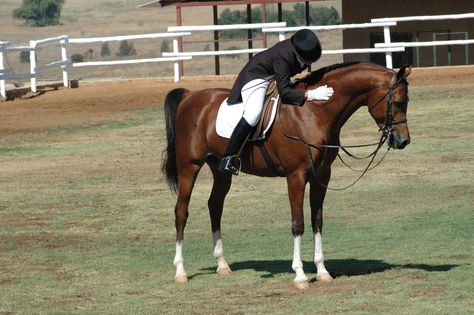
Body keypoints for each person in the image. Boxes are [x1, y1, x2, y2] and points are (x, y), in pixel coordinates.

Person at [218, 29, 334, 175]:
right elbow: (285, 93)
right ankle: (228, 157)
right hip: (256, 77)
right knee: (253, 114)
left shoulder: (297, 51)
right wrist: (310, 94)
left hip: (272, 77)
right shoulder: (284, 55)